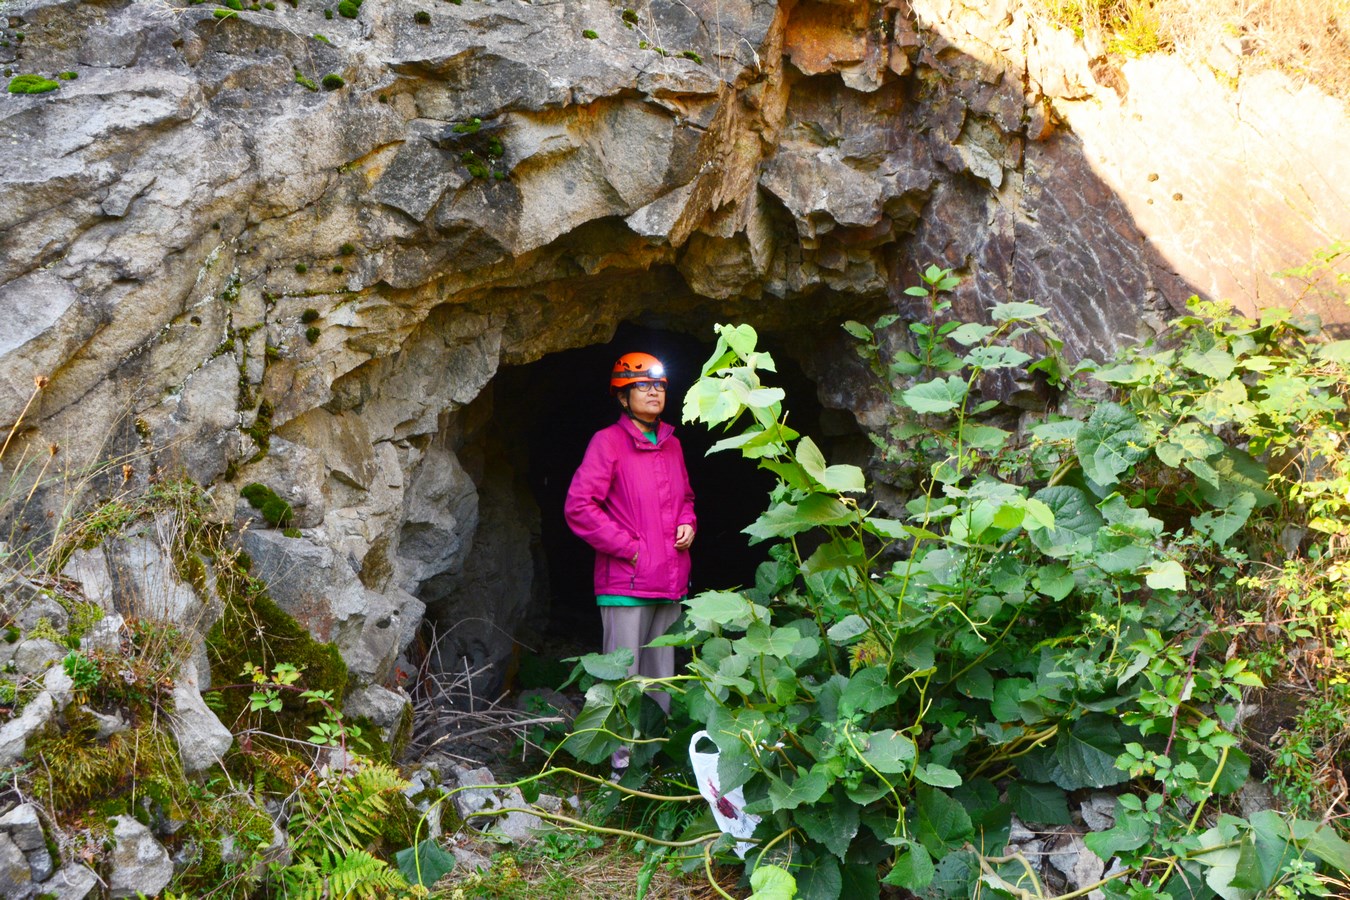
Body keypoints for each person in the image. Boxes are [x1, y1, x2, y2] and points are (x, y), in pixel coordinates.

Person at [564, 352, 696, 767]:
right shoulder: (608, 442)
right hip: (627, 583)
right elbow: (579, 506)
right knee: (624, 681)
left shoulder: (672, 444)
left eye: (659, 385)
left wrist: (688, 522)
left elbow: (685, 499)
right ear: (622, 397)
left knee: (660, 680)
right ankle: (619, 768)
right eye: (642, 386)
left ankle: (650, 767)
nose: (654, 392)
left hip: (669, 580)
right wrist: (630, 548)